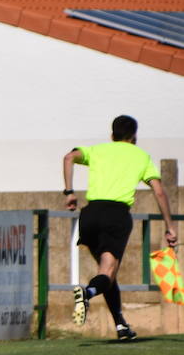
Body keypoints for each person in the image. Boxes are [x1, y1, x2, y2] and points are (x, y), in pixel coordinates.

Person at [63, 115, 178, 341]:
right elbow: (160, 191)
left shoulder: (98, 150)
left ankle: (121, 325)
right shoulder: (141, 156)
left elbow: (68, 157)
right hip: (116, 215)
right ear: (134, 137)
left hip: (90, 214)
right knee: (107, 271)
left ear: (112, 135)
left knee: (109, 274)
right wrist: (170, 226)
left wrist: (69, 192)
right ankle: (87, 292)